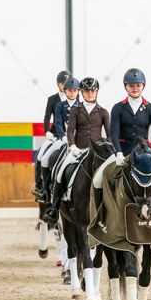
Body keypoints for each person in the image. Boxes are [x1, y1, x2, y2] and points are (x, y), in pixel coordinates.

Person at [93, 68, 151, 196]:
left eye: (138, 85)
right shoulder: (118, 108)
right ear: (126, 87)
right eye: (131, 85)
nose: (135, 88)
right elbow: (114, 134)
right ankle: (100, 215)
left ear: (143, 86)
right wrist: (118, 153)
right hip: (123, 151)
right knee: (97, 181)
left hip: (146, 152)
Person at [43, 77, 110, 224]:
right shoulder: (75, 110)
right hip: (77, 150)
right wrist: (72, 145)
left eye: (92, 91)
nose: (90, 93)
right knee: (60, 171)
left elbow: (109, 134)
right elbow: (70, 130)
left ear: (96, 92)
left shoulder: (103, 112)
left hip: (95, 153)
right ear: (82, 92)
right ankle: (54, 208)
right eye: (86, 91)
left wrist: (108, 149)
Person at [34, 76, 80, 202]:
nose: (72, 93)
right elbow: (57, 122)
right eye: (69, 90)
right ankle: (44, 189)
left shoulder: (81, 105)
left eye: (75, 90)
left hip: (78, 141)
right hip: (60, 138)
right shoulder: (58, 104)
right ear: (64, 90)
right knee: (44, 158)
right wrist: (58, 134)